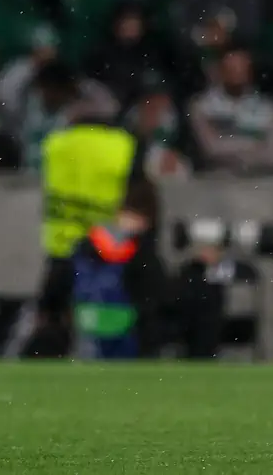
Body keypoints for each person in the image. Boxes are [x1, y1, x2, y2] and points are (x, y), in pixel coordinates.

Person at [26, 110, 148, 358]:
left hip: (60, 247)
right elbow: (137, 199)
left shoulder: (56, 143)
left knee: (53, 320)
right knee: (111, 319)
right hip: (109, 247)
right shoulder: (122, 145)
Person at [37, 180, 166, 359]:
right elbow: (155, 301)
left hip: (83, 325)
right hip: (126, 330)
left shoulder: (85, 246)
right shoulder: (144, 255)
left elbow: (57, 287)